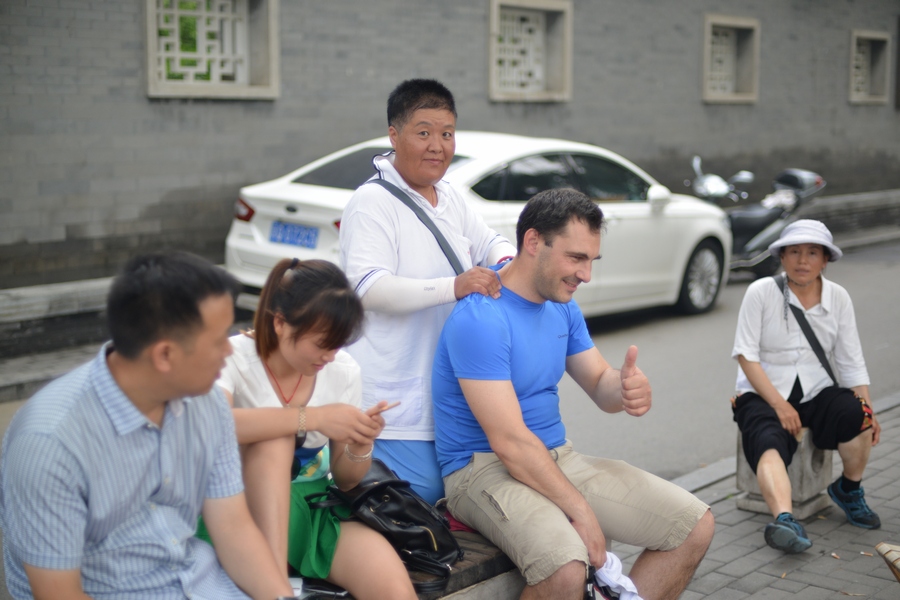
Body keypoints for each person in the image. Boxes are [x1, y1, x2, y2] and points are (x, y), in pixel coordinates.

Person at [432, 188, 715, 600]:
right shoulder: (481, 317)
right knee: (565, 566)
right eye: (576, 258)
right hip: (482, 471)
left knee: (693, 525)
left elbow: (599, 384)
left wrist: (624, 388)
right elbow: (509, 442)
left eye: (591, 261)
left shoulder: (561, 304)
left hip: (556, 458)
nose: (586, 275)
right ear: (533, 242)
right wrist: (581, 511)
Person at [0, 251, 297, 600]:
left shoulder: (207, 402)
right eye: (218, 340)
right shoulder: (50, 442)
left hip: (203, 583)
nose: (229, 351)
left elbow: (233, 527)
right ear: (164, 355)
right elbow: (59, 594)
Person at [339, 78, 516, 504]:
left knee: (464, 497)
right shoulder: (371, 202)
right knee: (418, 500)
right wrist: (454, 286)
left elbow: (491, 241)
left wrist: (509, 264)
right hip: (395, 403)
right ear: (394, 135)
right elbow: (369, 288)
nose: (437, 146)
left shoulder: (449, 196)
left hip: (449, 396)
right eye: (423, 133)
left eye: (447, 134)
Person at [203, 258, 417, 600]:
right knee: (273, 438)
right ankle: (274, 590)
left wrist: (361, 443)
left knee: (394, 589)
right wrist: (312, 418)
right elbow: (211, 424)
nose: (329, 356)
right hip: (233, 508)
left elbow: (346, 480)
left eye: (338, 343)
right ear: (280, 323)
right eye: (321, 343)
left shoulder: (343, 370)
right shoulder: (234, 358)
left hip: (312, 509)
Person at [731, 219, 880, 554]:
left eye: (812, 253)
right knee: (768, 440)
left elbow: (851, 360)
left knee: (859, 416)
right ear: (782, 257)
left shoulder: (838, 297)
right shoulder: (761, 292)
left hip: (817, 390)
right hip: (762, 392)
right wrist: (779, 405)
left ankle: (849, 490)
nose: (802, 260)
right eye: (794, 252)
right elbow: (746, 355)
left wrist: (868, 409)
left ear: (825, 260)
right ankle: (785, 520)